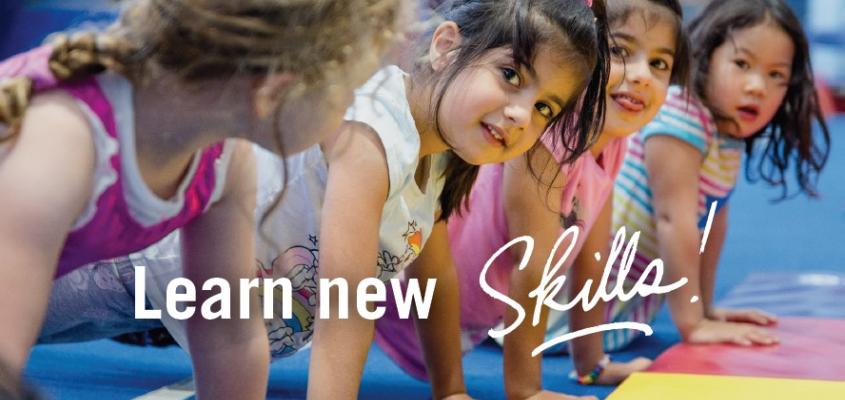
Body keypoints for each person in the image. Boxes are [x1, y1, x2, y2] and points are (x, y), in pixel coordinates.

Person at [42, 0, 609, 398]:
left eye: (544, 109)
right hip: (129, 268)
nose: (520, 114)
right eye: (511, 75)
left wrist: (451, 391)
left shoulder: (440, 157)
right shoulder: (374, 130)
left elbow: (434, 279)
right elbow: (345, 306)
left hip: (177, 316)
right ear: (444, 46)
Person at [0, 0, 404, 398]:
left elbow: (228, 334)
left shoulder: (225, 158)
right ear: (276, 91)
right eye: (351, 91)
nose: (350, 109)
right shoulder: (65, 143)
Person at [375, 0, 688, 397]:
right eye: (620, 51)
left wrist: (592, 367)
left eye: (660, 64)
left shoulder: (612, 142)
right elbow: (530, 267)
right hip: (405, 298)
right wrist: (525, 390)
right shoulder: (548, 142)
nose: (642, 75)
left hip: (462, 313)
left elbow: (592, 257)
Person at [562, 0, 831, 353]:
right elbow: (674, 220)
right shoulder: (681, 113)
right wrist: (693, 323)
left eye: (775, 74)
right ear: (705, 57)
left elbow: (713, 220)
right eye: (741, 64)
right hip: (576, 299)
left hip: (617, 298)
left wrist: (706, 308)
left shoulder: (726, 134)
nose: (757, 86)